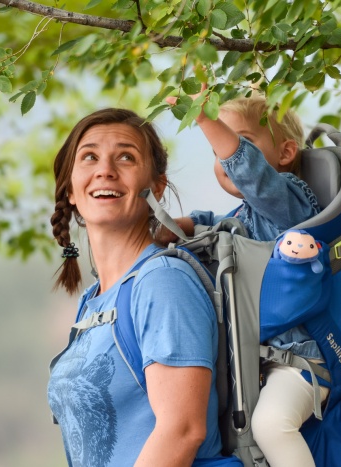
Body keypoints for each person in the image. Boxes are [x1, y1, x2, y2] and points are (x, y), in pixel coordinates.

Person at [46, 108, 241, 467]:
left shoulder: (163, 282)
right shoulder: (94, 302)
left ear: (156, 187)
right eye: (89, 156)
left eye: (126, 156)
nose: (105, 169)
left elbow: (182, 431)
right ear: (70, 190)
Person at [166, 95, 329, 467]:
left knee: (271, 426)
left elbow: (254, 177)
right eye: (216, 147)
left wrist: (206, 119)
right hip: (255, 362)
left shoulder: (289, 203)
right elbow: (218, 225)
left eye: (238, 143)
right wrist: (179, 227)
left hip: (301, 363)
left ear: (286, 153)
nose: (224, 159)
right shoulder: (246, 215)